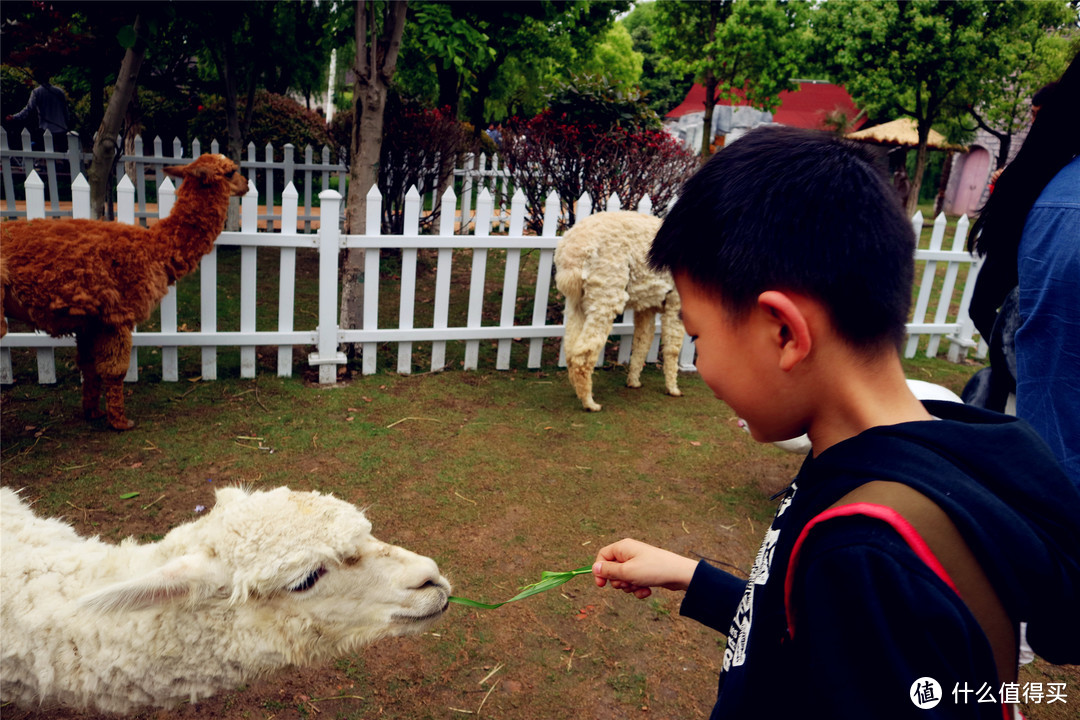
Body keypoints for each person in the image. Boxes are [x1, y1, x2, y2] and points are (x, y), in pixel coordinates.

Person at [591, 126, 1080, 719]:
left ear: (785, 333)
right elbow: (809, 634)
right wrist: (694, 578)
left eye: (698, 337)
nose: (701, 366)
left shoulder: (864, 555)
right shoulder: (918, 447)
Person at [967, 54, 1080, 482]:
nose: (1033, 117)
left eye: (1036, 112)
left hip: (1047, 483)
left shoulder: (1053, 181)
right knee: (995, 327)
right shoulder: (1052, 179)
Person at [5, 68, 71, 153]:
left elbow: (28, 109)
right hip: (61, 128)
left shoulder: (37, 92)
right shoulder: (59, 92)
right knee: (62, 154)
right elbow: (66, 111)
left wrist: (14, 117)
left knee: (48, 153)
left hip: (46, 129)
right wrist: (66, 124)